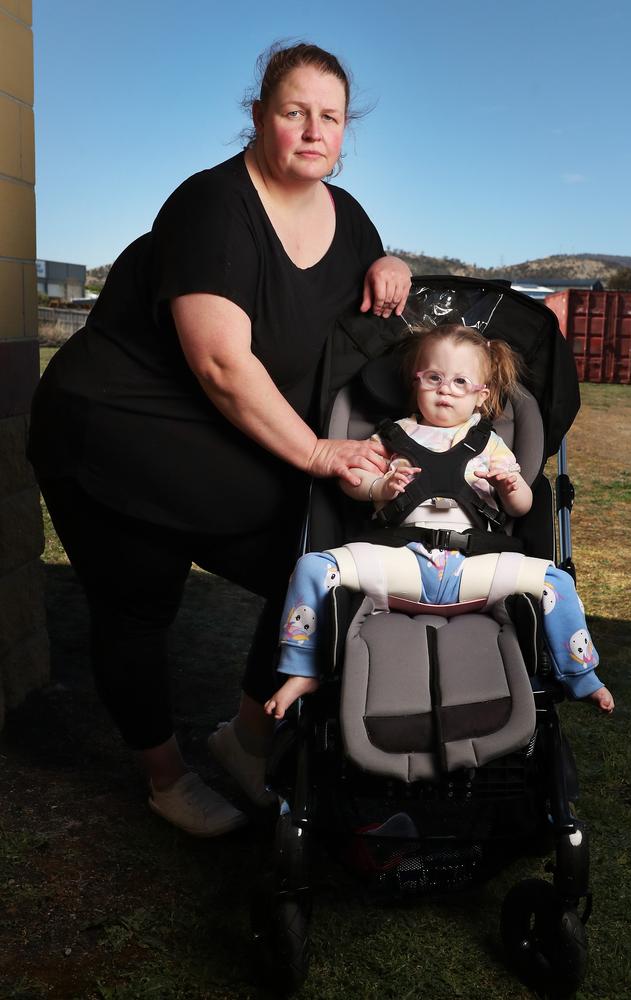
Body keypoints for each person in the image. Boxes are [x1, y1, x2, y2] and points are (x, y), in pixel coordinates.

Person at [27, 42, 412, 837]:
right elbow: (221, 364)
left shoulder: (351, 218)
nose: (313, 130)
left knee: (314, 561)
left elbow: (366, 317)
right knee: (139, 602)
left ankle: (246, 739)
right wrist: (315, 454)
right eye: (293, 111)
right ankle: (165, 779)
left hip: (213, 438)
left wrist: (395, 262)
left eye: (329, 117)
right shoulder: (212, 205)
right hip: (114, 428)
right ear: (259, 115)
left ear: (346, 131)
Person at [258, 323, 615, 722]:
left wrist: (510, 485)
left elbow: (520, 508)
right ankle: (302, 669)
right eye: (434, 378)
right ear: (416, 383)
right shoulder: (391, 438)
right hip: (401, 562)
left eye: (461, 382)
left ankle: (581, 674)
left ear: (482, 395)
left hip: (473, 568)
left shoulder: (492, 445)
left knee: (556, 582)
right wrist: (381, 486)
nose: (445, 388)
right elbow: (352, 483)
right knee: (312, 567)